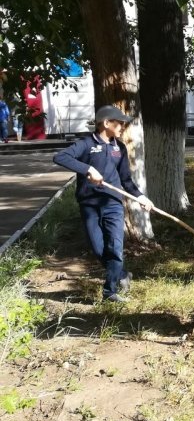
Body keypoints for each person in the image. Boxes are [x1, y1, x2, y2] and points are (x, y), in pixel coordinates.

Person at [53, 105, 153, 302]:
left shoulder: (119, 148)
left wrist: (140, 196)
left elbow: (126, 180)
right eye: (120, 123)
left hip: (113, 203)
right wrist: (87, 168)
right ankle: (122, 274)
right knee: (99, 249)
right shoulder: (86, 144)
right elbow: (60, 157)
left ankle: (110, 291)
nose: (123, 127)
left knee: (115, 247)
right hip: (89, 203)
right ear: (106, 123)